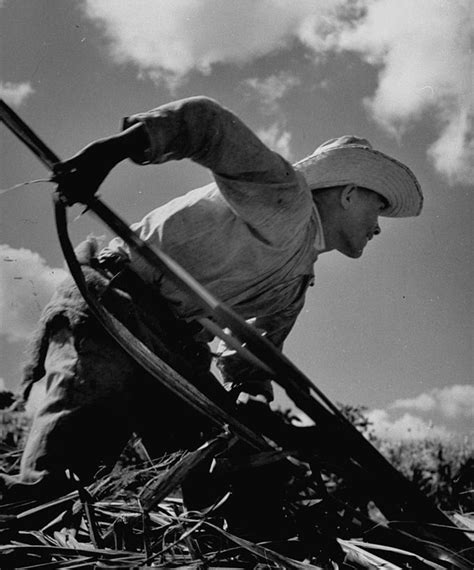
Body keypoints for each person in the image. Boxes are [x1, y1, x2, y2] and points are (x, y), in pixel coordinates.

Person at [1, 96, 423, 533]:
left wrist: (252, 396)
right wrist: (109, 151)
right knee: (57, 485)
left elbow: (252, 358)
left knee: (230, 464)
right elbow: (208, 125)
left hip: (174, 348)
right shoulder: (286, 197)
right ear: (350, 194)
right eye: (378, 207)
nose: (378, 226)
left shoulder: (294, 285)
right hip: (114, 304)